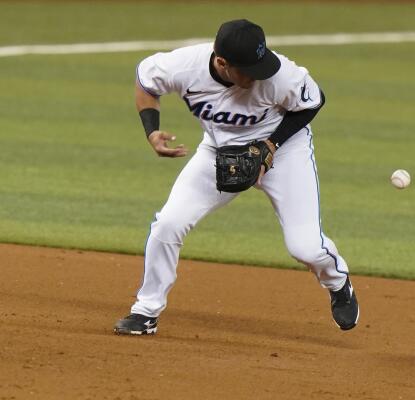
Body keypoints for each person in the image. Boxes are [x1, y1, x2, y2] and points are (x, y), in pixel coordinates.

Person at [114, 19, 359, 335]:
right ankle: (145, 312)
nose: (259, 74)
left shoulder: (280, 76)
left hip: (284, 154)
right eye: (248, 69)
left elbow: (313, 102)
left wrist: (271, 144)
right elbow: (146, 82)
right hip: (218, 153)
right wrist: (152, 131)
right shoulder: (182, 67)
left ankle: (338, 281)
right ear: (221, 63)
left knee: (306, 248)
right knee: (169, 223)